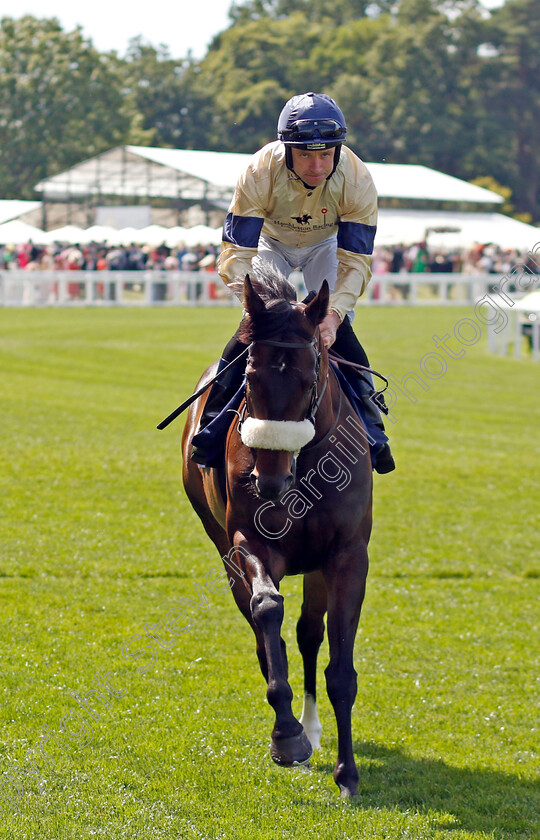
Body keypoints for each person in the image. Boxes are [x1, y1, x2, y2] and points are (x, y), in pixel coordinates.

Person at [191, 91, 395, 473]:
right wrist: (256, 308)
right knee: (254, 328)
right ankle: (213, 422)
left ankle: (372, 427)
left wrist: (333, 315)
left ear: (338, 148)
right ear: (286, 150)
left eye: (325, 154)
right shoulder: (258, 170)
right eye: (305, 154)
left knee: (342, 328)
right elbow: (237, 252)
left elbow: (355, 261)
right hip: (271, 244)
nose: (317, 166)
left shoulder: (358, 178)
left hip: (326, 245)